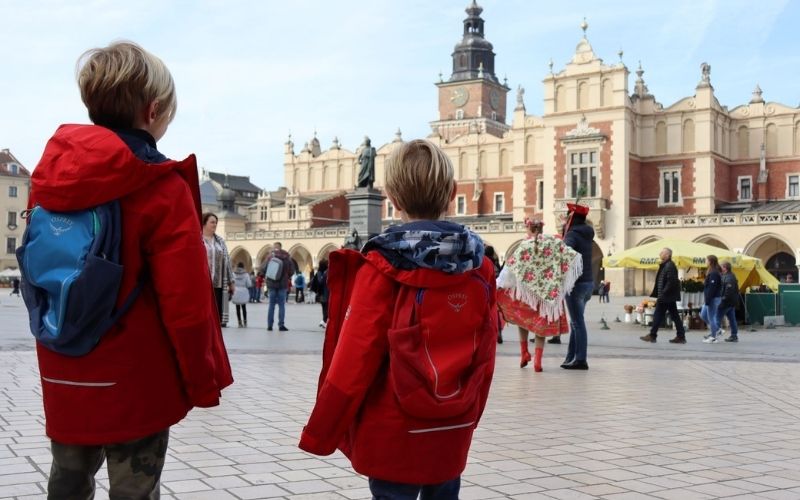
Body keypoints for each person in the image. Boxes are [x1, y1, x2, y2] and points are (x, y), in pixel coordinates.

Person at [28, 41, 233, 499]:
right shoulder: (159, 186)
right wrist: (202, 380)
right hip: (136, 380)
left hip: (63, 363)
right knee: (135, 490)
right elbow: (187, 305)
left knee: (67, 478)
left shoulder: (49, 182)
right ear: (154, 109)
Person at [299, 139, 496, 500]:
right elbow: (485, 356)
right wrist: (469, 412)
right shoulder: (479, 268)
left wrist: (322, 430)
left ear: (391, 196)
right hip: (454, 424)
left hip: (393, 430)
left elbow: (352, 360)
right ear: (452, 193)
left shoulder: (382, 268)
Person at [497, 219, 579, 372]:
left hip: (526, 294)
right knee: (540, 326)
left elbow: (511, 267)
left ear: (529, 227)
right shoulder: (553, 243)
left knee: (523, 321)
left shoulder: (524, 245)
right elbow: (570, 257)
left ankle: (524, 353)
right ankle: (538, 361)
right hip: (544, 294)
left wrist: (500, 284)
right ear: (541, 228)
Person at [561, 203, 595, 370]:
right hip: (588, 283)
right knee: (577, 322)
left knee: (577, 322)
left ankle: (580, 359)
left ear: (571, 218)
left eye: (567, 216)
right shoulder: (587, 233)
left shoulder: (573, 234)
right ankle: (571, 356)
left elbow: (564, 252)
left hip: (575, 284)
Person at [640, 247, 686, 344]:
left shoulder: (669, 266)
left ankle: (653, 335)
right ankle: (681, 336)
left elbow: (671, 282)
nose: (660, 254)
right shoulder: (666, 265)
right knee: (674, 315)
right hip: (667, 296)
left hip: (666, 296)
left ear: (667, 255)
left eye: (662, 252)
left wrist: (663, 293)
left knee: (658, 314)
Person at [202, 212, 235, 327]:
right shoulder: (198, 239)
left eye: (216, 222)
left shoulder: (220, 241)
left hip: (218, 283)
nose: (215, 224)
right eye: (212, 222)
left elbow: (227, 262)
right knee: (203, 311)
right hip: (202, 282)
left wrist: (231, 282)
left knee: (216, 313)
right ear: (204, 223)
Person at [263, 242, 294, 331]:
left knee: (271, 305)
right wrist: (286, 276)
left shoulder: (270, 257)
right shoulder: (287, 257)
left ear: (274, 247)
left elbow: (263, 269)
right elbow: (292, 270)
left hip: (271, 284)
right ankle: (281, 325)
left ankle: (269, 325)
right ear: (281, 247)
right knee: (281, 305)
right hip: (282, 284)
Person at [713, 260, 740, 343]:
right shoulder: (728, 275)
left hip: (726, 302)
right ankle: (734, 335)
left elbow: (728, 291)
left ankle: (713, 335)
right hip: (730, 302)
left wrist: (722, 300)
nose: (720, 268)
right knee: (732, 319)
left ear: (725, 268)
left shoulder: (729, 277)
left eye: (721, 266)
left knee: (717, 318)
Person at [700, 255, 722, 342]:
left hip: (713, 298)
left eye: (706, 260)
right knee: (703, 314)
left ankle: (713, 337)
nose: (705, 261)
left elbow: (712, 288)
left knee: (711, 317)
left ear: (710, 261)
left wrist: (708, 300)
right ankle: (717, 330)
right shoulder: (712, 271)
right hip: (711, 297)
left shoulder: (713, 273)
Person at [485, 245, 504, 344]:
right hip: (495, 288)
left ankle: (489, 334)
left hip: (486, 290)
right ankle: (499, 332)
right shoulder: (495, 263)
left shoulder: (484, 263)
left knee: (486, 313)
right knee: (495, 312)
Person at [231, 263, 252, 327]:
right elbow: (249, 284)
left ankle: (239, 322)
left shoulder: (233, 274)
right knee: (244, 307)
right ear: (243, 267)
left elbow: (232, 282)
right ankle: (245, 322)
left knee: (237, 308)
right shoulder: (246, 275)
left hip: (236, 291)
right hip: (243, 292)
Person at [312, 259, 329, 327]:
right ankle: (324, 321)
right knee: (325, 307)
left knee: (325, 307)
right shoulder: (322, 273)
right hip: (324, 292)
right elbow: (320, 282)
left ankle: (324, 320)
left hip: (323, 292)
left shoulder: (322, 272)